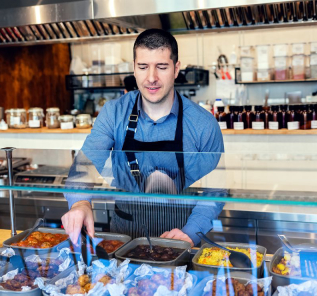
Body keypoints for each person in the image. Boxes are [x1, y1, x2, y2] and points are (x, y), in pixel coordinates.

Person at [62, 29, 224, 246]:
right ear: (134, 68)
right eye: (143, 67)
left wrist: (191, 232)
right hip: (124, 237)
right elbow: (87, 163)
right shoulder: (114, 113)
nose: (151, 78)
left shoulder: (203, 124)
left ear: (176, 69)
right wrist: (80, 203)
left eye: (162, 67)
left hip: (182, 238)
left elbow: (216, 189)